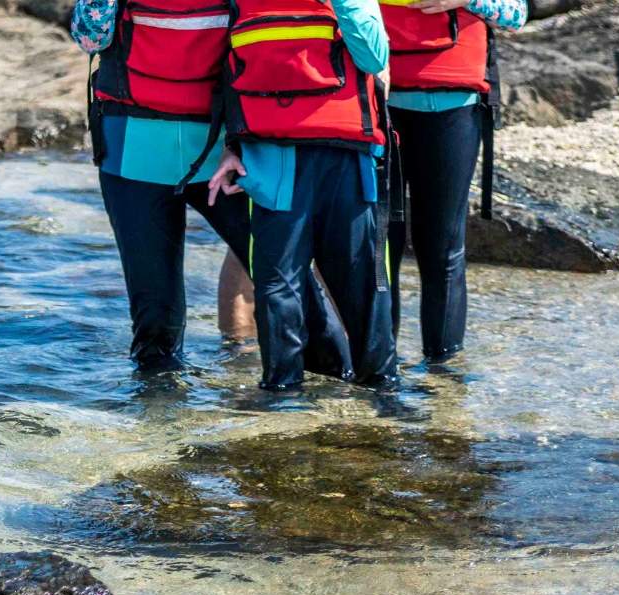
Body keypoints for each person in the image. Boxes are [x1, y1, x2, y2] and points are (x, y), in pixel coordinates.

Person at [76, 0, 353, 375]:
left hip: (225, 149)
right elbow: (91, 36)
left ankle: (341, 404)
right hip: (138, 146)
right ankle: (163, 426)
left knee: (292, 290)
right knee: (157, 320)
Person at [207, 0, 401, 392]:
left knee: (361, 282)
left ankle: (382, 394)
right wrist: (232, 145)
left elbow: (374, 56)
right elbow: (225, 70)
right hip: (272, 156)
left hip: (346, 158)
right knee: (278, 288)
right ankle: (281, 394)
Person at [382, 0, 522, 367]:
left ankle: (443, 378)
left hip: (454, 102)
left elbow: (517, 13)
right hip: (377, 102)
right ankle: (380, 370)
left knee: (442, 247)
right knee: (381, 244)